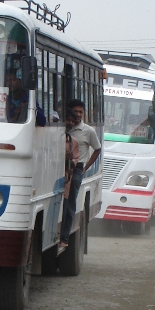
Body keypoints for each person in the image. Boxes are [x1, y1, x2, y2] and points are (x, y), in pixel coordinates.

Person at [59, 100, 101, 252]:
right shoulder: (62, 127)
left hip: (77, 168)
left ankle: (64, 237)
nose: (77, 115)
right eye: (75, 111)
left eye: (80, 112)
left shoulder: (87, 131)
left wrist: (85, 168)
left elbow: (97, 149)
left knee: (70, 202)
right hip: (60, 166)